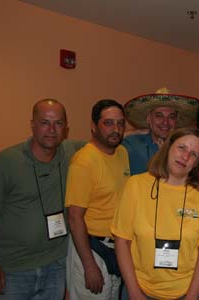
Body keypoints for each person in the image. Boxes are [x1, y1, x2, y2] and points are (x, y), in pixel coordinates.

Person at [0, 99, 84, 299]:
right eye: (44, 122)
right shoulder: (5, 162)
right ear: (32, 124)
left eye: (58, 123)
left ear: (66, 128)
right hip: (12, 271)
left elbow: (107, 140)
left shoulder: (73, 153)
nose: (52, 130)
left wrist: (145, 132)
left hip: (55, 267)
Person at [112, 128, 199, 300]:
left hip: (188, 291)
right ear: (168, 148)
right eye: (181, 147)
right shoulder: (135, 185)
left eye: (194, 154)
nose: (185, 157)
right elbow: (122, 241)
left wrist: (192, 296)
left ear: (197, 163)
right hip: (139, 289)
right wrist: (134, 292)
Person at [65, 99, 130, 300]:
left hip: (115, 247)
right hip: (91, 248)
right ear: (94, 126)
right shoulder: (84, 162)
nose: (116, 129)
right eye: (108, 123)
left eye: (120, 123)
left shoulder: (122, 152)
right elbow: (74, 217)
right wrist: (89, 265)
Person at [123, 87, 199, 175]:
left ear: (176, 121)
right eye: (159, 116)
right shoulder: (131, 144)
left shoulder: (185, 148)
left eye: (171, 117)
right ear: (149, 118)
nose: (165, 122)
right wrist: (135, 132)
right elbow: (109, 141)